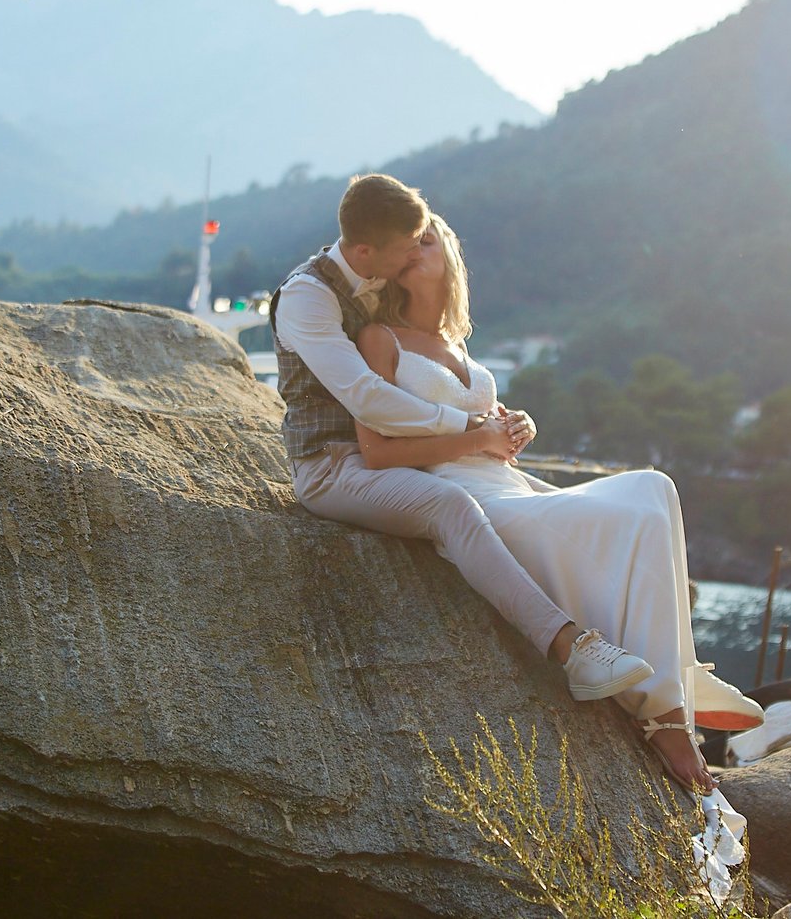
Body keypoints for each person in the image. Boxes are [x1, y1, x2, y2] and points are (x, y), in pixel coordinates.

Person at [348, 208, 764, 794]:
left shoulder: (456, 344)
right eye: (407, 243)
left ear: (449, 256)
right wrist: (477, 438)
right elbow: (378, 450)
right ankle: (669, 712)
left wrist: (514, 426)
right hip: (464, 499)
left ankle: (679, 673)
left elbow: (484, 429)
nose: (416, 248)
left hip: (508, 481)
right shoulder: (379, 339)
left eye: (428, 239)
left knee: (653, 486)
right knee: (621, 521)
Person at [270, 174, 653, 711]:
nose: (412, 259)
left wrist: (500, 422)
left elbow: (424, 364)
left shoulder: (377, 278)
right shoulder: (308, 296)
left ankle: (665, 666)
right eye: (407, 249)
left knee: (585, 505)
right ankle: (574, 651)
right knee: (452, 506)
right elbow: (367, 396)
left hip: (398, 458)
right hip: (332, 467)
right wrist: (470, 431)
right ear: (364, 251)